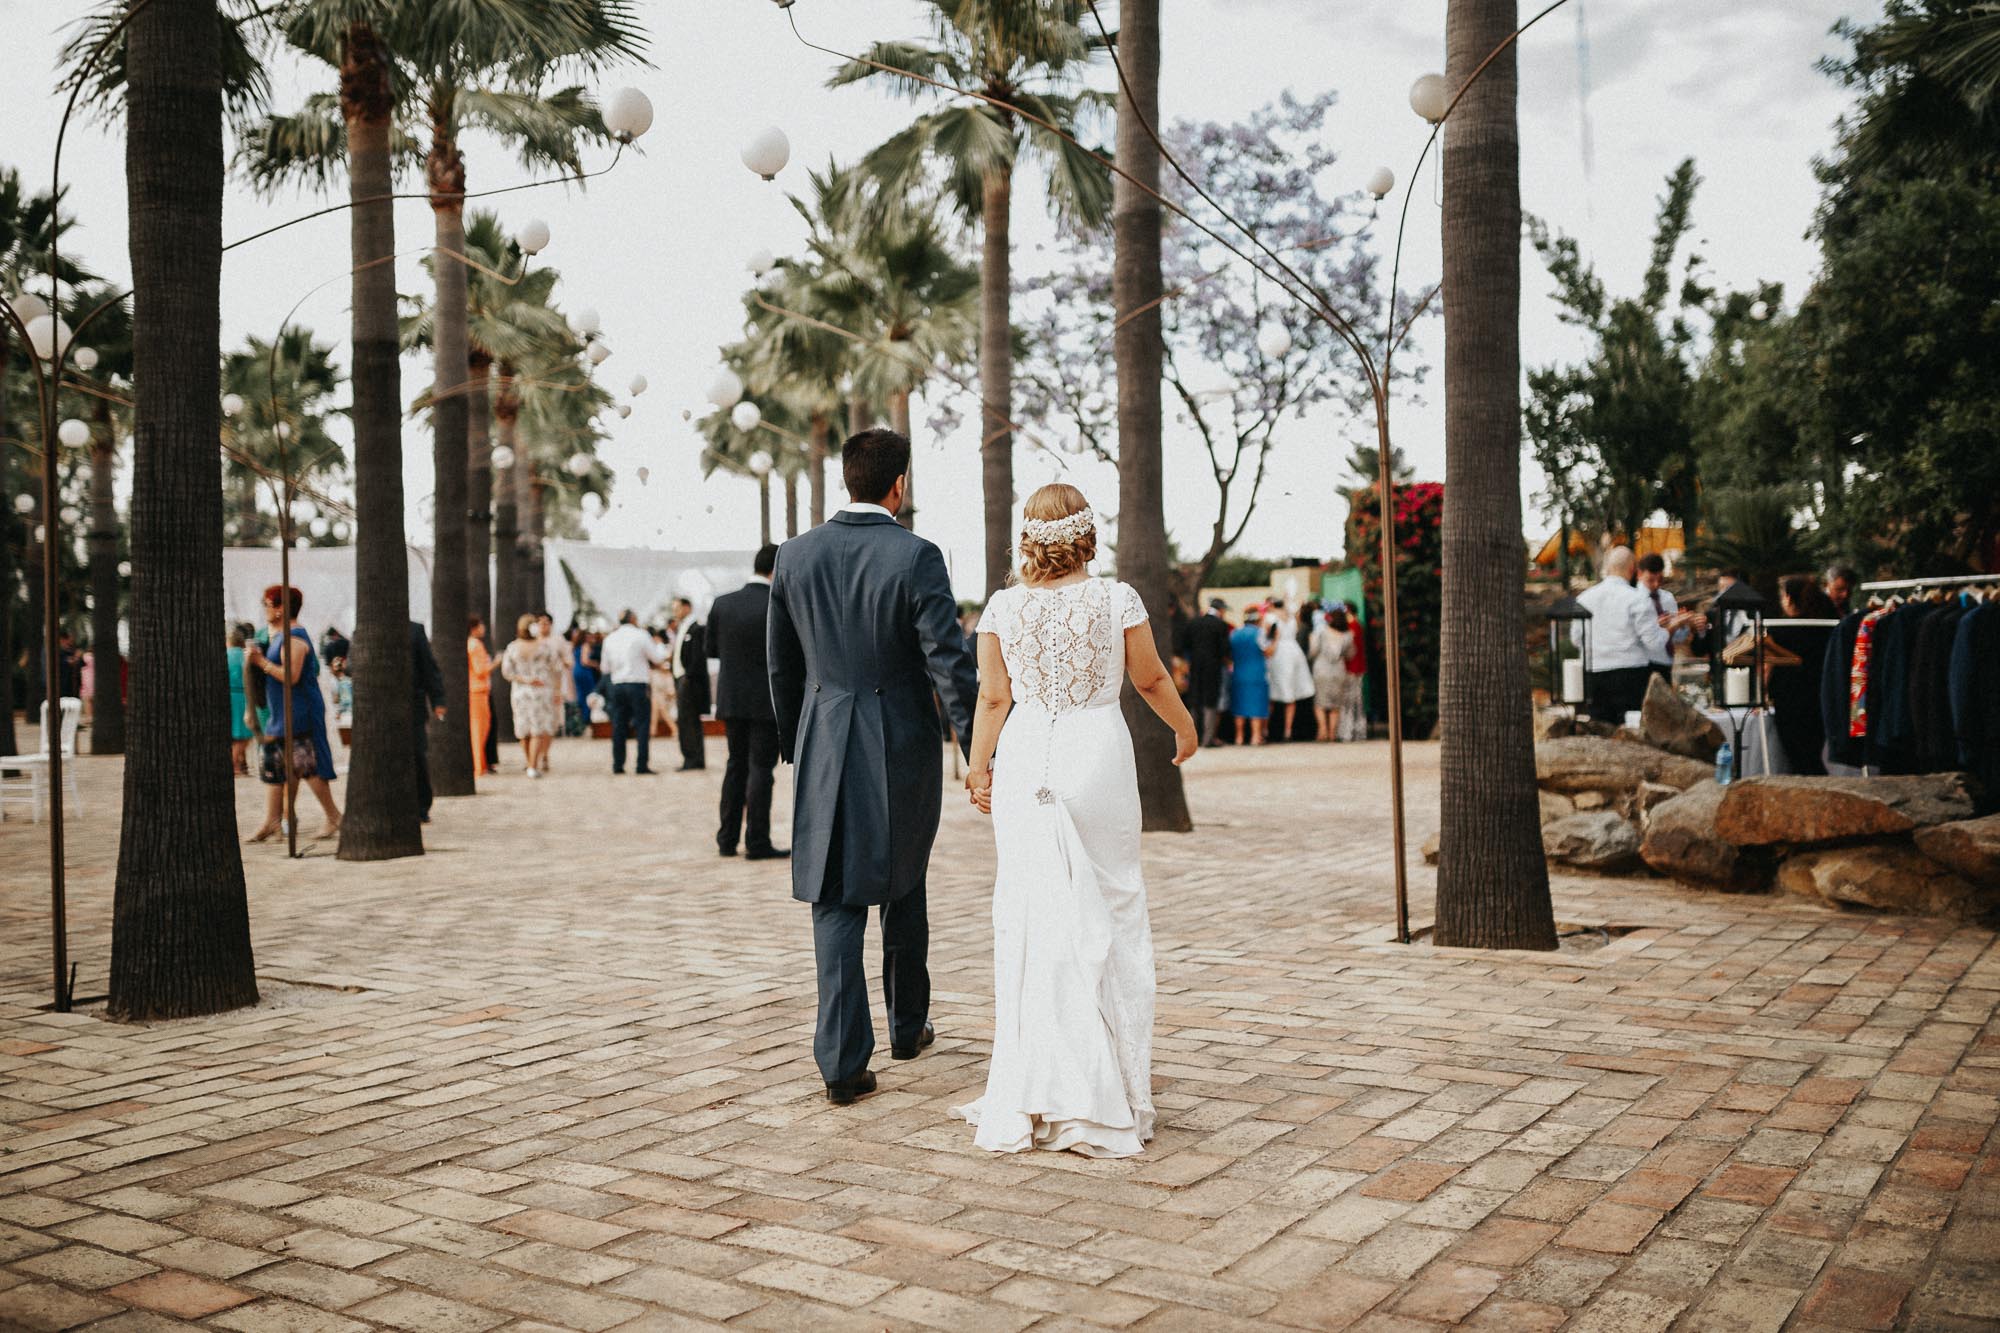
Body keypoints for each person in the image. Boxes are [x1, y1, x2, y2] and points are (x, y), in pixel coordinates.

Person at [954, 483, 1197, 1157]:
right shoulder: (1117, 599)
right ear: (1087, 536)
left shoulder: (1002, 607)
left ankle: (1037, 1084)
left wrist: (978, 768)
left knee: (1031, 917)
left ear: (1028, 538)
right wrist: (1184, 727)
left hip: (1025, 756)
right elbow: (1150, 679)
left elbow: (994, 697)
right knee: (1112, 911)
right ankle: (1111, 1089)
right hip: (1097, 757)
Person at [767, 428, 977, 1106]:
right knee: (904, 879)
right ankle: (908, 1028)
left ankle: (841, 1062)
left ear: (846, 478)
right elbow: (948, 662)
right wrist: (979, 749)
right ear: (899, 485)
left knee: (833, 894)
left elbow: (781, 664)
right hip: (900, 743)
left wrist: (796, 740)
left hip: (824, 740)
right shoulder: (916, 555)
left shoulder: (795, 555)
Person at [244, 585, 341, 843]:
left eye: (267, 604)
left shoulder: (294, 638)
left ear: (280, 609)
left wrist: (261, 662)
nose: (265, 609)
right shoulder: (280, 636)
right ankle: (272, 819)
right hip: (282, 712)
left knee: (304, 764)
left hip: (297, 711)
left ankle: (332, 815)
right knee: (277, 762)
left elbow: (291, 675)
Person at [709, 544, 786, 860]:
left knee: (735, 765)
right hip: (767, 700)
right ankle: (757, 841)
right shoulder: (779, 604)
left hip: (731, 698)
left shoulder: (722, 603)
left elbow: (711, 650)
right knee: (761, 769)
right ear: (775, 569)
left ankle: (726, 839)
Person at [1574, 546, 1669, 724]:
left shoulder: (1584, 598)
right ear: (1632, 569)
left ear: (1608, 567)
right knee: (1631, 728)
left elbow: (1576, 638)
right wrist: (1669, 629)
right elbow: (1654, 643)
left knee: (1600, 729)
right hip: (1630, 674)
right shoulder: (1638, 599)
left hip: (1595, 673)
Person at [1768, 575, 1837, 775]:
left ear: (1789, 598)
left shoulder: (1780, 629)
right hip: (1819, 697)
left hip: (1789, 700)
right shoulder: (1825, 626)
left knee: (1799, 757)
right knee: (1812, 754)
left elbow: (1769, 666)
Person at [600, 608, 665, 774]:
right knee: (642, 724)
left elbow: (604, 667)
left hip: (617, 684)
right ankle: (641, 764)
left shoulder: (610, 638)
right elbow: (657, 658)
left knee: (618, 725)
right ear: (633, 619)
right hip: (637, 684)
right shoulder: (641, 635)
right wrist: (659, 645)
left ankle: (618, 764)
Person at [502, 613, 563, 778]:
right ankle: (532, 765)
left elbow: (507, 672)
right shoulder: (544, 647)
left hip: (520, 693)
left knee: (523, 729)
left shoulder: (513, 647)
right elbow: (557, 668)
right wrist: (556, 689)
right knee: (537, 729)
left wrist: (525, 679)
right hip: (541, 692)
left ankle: (530, 762)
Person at [1179, 598, 1232, 747]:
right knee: (1210, 701)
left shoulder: (1194, 623)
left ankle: (1193, 737)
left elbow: (1185, 644)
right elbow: (1225, 649)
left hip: (1195, 667)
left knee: (1195, 700)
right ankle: (1208, 738)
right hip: (1213, 668)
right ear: (1221, 610)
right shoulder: (1220, 625)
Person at [409, 620, 447, 822]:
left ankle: (422, 806)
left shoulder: (415, 630)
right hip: (380, 709)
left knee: (417, 755)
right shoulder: (364, 628)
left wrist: (438, 699)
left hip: (413, 706)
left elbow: (429, 667)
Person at [1635, 552, 1689, 679]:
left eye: (1660, 580)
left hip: (1666, 661)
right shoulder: (1633, 598)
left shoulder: (1667, 598)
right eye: (1650, 580)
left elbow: (1679, 638)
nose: (1656, 585)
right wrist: (1657, 627)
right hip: (1643, 662)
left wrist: (1681, 624)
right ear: (1639, 574)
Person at [1266, 598, 1314, 740]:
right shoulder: (1291, 617)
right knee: (1291, 694)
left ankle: (1267, 729)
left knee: (1272, 693)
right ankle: (1288, 730)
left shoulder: (1270, 617)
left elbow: (1266, 637)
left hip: (1279, 653)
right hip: (1294, 652)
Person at [670, 598, 709, 771]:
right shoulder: (683, 628)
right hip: (681, 677)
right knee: (685, 720)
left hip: (689, 680)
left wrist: (688, 676)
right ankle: (691, 757)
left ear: (687, 607)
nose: (675, 612)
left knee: (689, 719)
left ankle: (693, 758)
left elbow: (698, 657)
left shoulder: (696, 628)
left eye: (677, 608)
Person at [1311, 605, 1359, 741]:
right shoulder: (1348, 635)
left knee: (1320, 702)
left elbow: (1313, 650)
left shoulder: (1322, 632)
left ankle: (1322, 731)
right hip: (1339, 671)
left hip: (1321, 670)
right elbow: (1351, 655)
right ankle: (1332, 733)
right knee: (1335, 705)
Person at [1228, 607, 1275, 744]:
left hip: (1239, 673)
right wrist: (1275, 639)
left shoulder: (1235, 633)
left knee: (1239, 705)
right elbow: (1268, 652)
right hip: (1257, 673)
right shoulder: (1260, 633)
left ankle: (1239, 737)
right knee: (1256, 705)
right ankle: (1255, 736)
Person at [467, 615, 496, 776]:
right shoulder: (475, 645)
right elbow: (481, 670)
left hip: (475, 690)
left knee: (479, 728)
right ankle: (479, 765)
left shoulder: (470, 644)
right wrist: (496, 662)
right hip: (478, 690)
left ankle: (480, 763)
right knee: (480, 729)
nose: (483, 627)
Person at [227, 624, 254, 776]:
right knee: (244, 734)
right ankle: (234, 763)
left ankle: (237, 765)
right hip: (242, 696)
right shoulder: (244, 655)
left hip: (229, 695)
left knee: (234, 733)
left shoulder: (225, 654)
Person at [568, 623, 599, 737]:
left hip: (576, 671)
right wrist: (596, 664)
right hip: (584, 672)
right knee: (589, 696)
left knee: (581, 695)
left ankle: (583, 721)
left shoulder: (575, 646)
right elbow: (585, 661)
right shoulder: (585, 646)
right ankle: (588, 721)